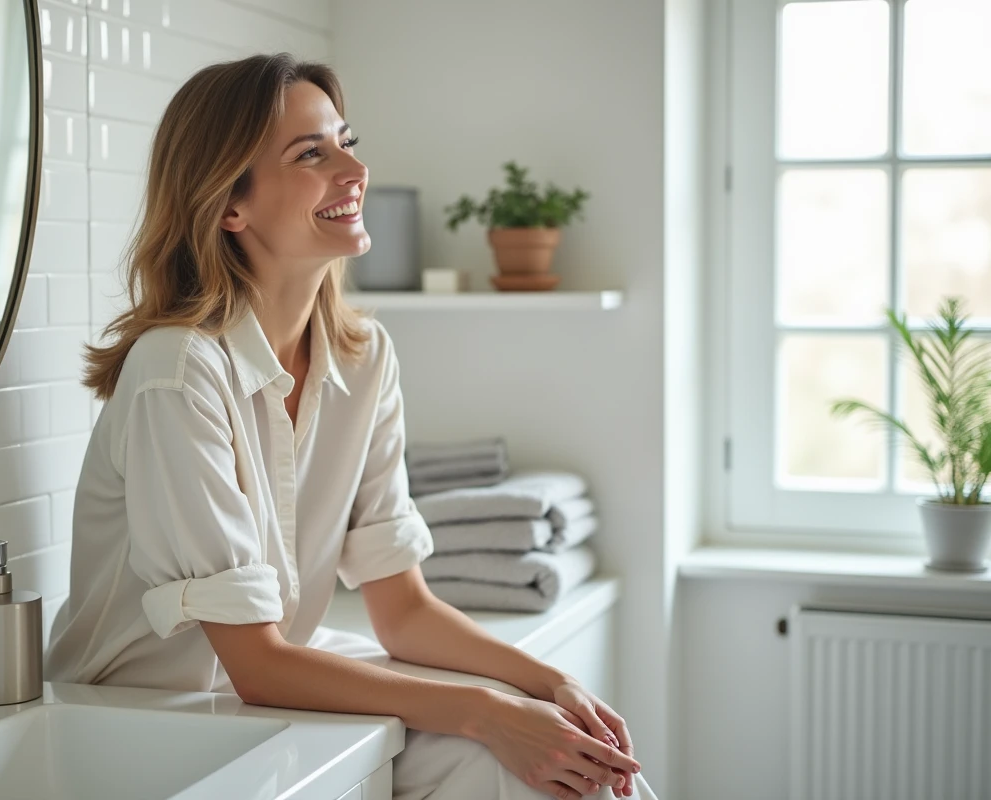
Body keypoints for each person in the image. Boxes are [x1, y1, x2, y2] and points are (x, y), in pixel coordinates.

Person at [45, 53, 657, 800]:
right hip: (141, 724)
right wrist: (487, 711)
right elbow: (257, 665)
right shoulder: (177, 372)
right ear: (229, 205)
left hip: (272, 692)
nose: (354, 171)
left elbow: (403, 611)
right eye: (312, 154)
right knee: (508, 745)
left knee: (576, 766)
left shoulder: (362, 358)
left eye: (346, 142)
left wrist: (551, 684)